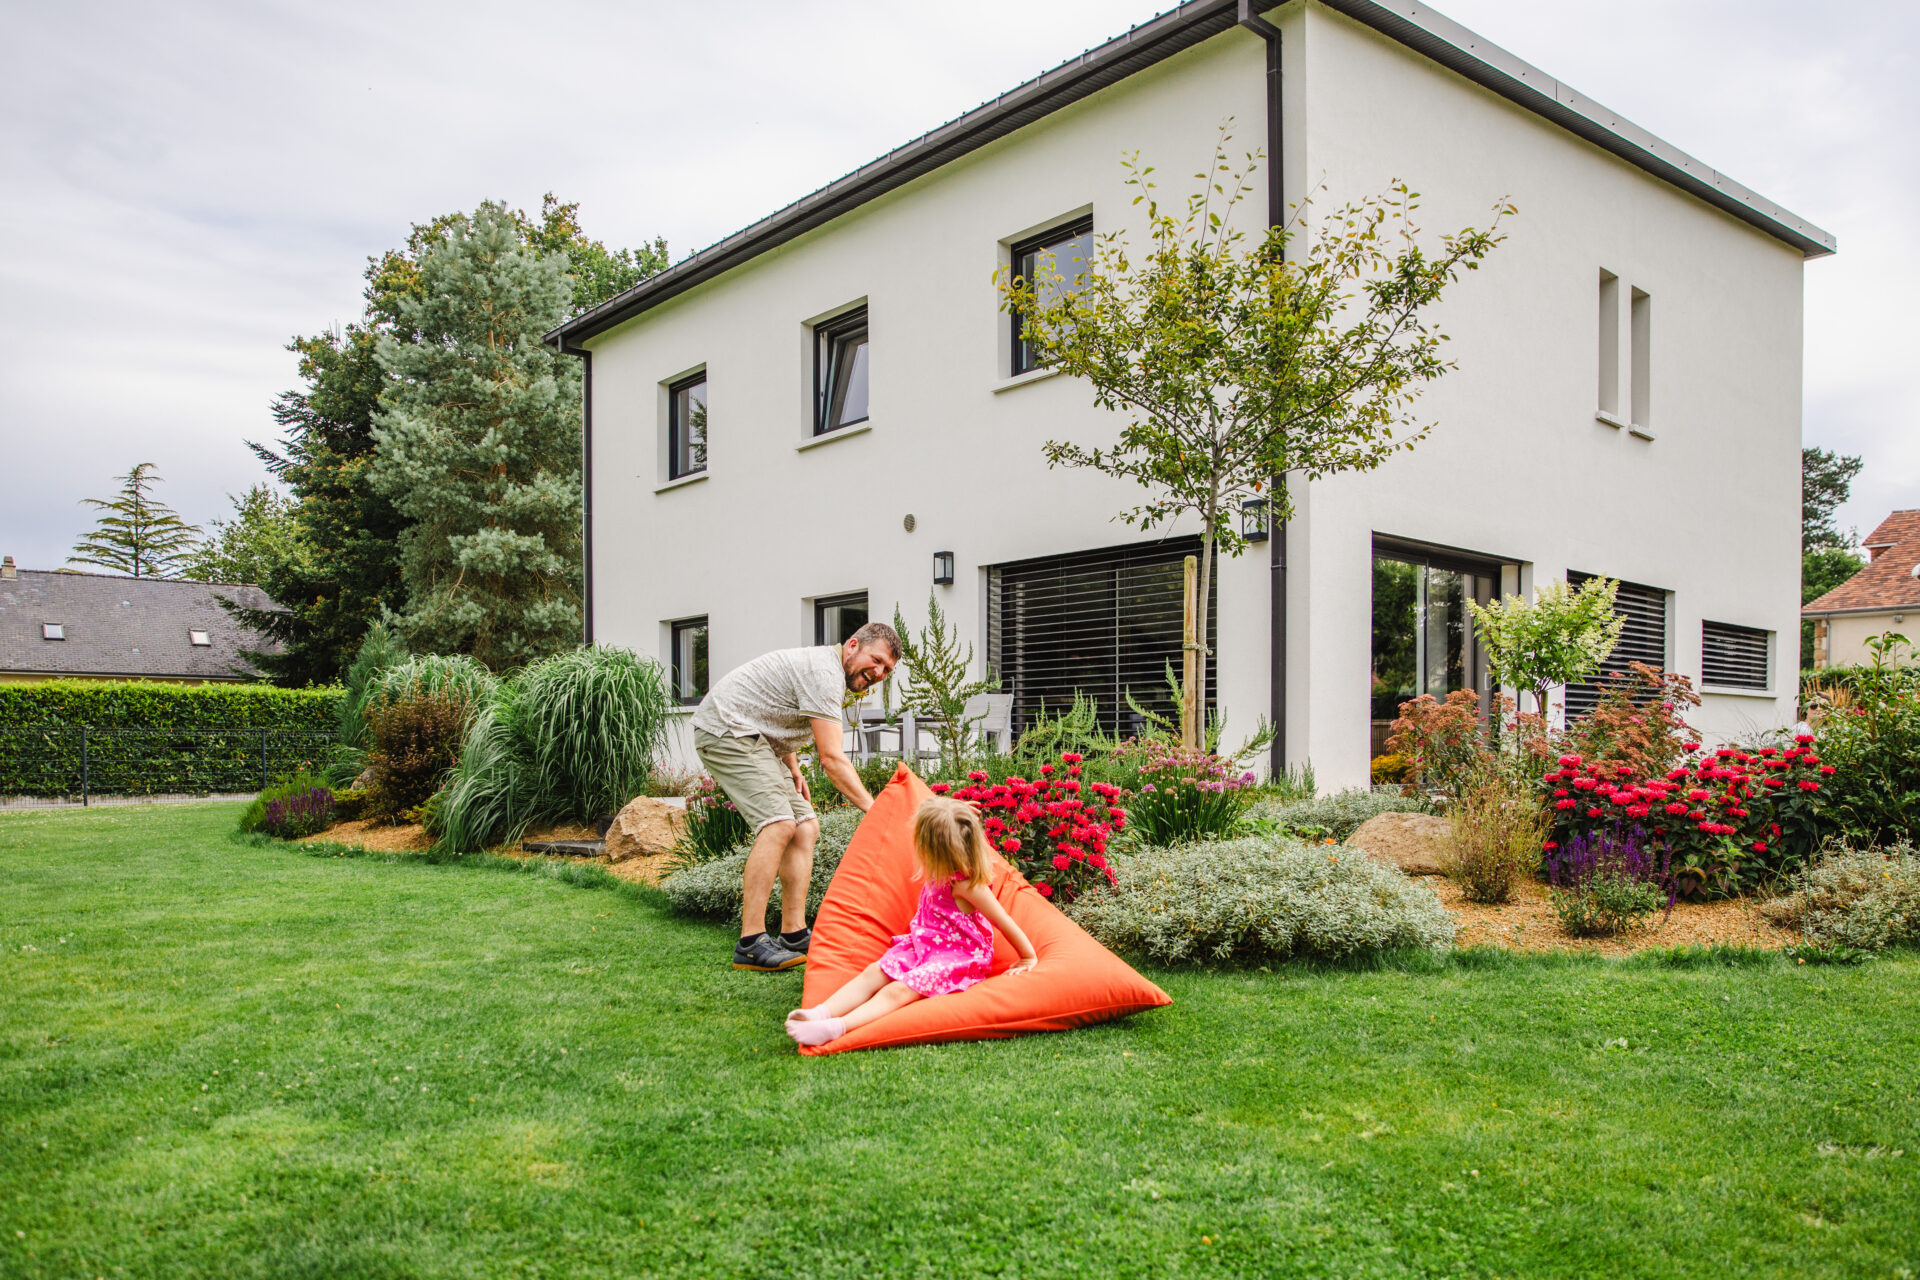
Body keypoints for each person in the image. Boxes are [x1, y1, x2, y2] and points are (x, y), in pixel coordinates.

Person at [693, 622, 901, 972]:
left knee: (805, 827)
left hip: (753, 734)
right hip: (726, 729)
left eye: (887, 670)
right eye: (876, 660)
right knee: (778, 824)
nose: (879, 672)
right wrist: (875, 809)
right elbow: (832, 759)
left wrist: (791, 764)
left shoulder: (830, 671)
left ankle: (794, 932)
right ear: (852, 646)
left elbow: (775, 710)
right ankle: (750, 942)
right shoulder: (825, 673)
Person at [785, 796, 1038, 1047]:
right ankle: (822, 1012)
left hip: (957, 956)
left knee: (899, 990)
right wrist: (958, 810)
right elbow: (930, 812)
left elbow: (1003, 920)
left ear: (933, 848)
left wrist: (1027, 956)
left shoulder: (967, 885)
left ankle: (837, 1027)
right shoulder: (943, 865)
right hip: (926, 943)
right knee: (874, 971)